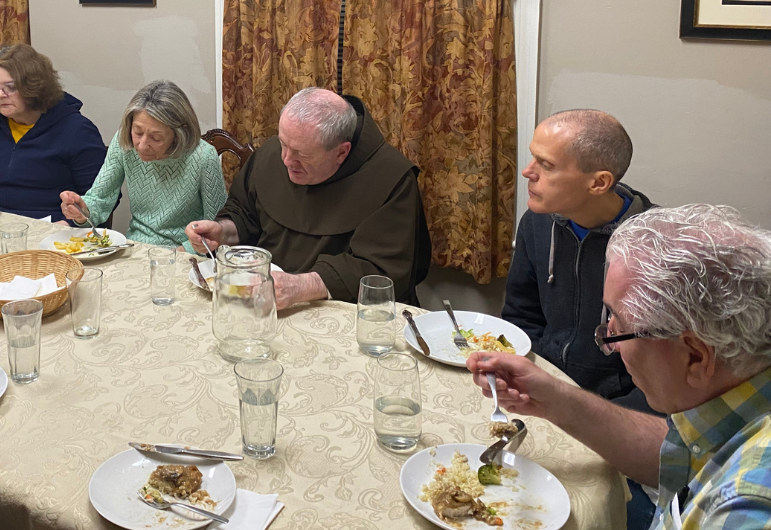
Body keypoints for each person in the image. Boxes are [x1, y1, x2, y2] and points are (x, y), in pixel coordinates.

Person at [469, 204, 771, 530]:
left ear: (696, 357)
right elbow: (684, 454)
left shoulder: (747, 508)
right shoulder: (740, 400)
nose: (610, 343)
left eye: (618, 327)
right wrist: (555, 397)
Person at [186, 87, 430, 308]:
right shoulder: (276, 154)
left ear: (341, 152)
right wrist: (223, 231)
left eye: (302, 154)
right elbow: (245, 213)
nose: (286, 160)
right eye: (283, 144)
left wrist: (303, 287)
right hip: (262, 301)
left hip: (343, 312)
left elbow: (381, 272)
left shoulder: (391, 179)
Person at [502, 110, 655, 411]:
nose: (527, 172)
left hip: (617, 410)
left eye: (546, 165)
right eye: (533, 158)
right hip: (542, 391)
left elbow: (662, 376)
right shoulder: (537, 222)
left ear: (598, 183)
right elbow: (521, 315)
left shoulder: (655, 248)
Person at [0, 44, 106, 220]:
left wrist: (72, 225)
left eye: (10, 87)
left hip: (49, 230)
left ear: (34, 87)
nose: (0, 95)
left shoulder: (77, 130)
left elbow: (100, 201)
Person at [59, 80, 226, 249]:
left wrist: (186, 250)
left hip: (186, 252)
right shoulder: (123, 142)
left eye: (156, 138)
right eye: (137, 132)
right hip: (137, 247)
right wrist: (82, 211)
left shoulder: (203, 157)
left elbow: (216, 227)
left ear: (179, 133)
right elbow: (100, 199)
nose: (142, 145)